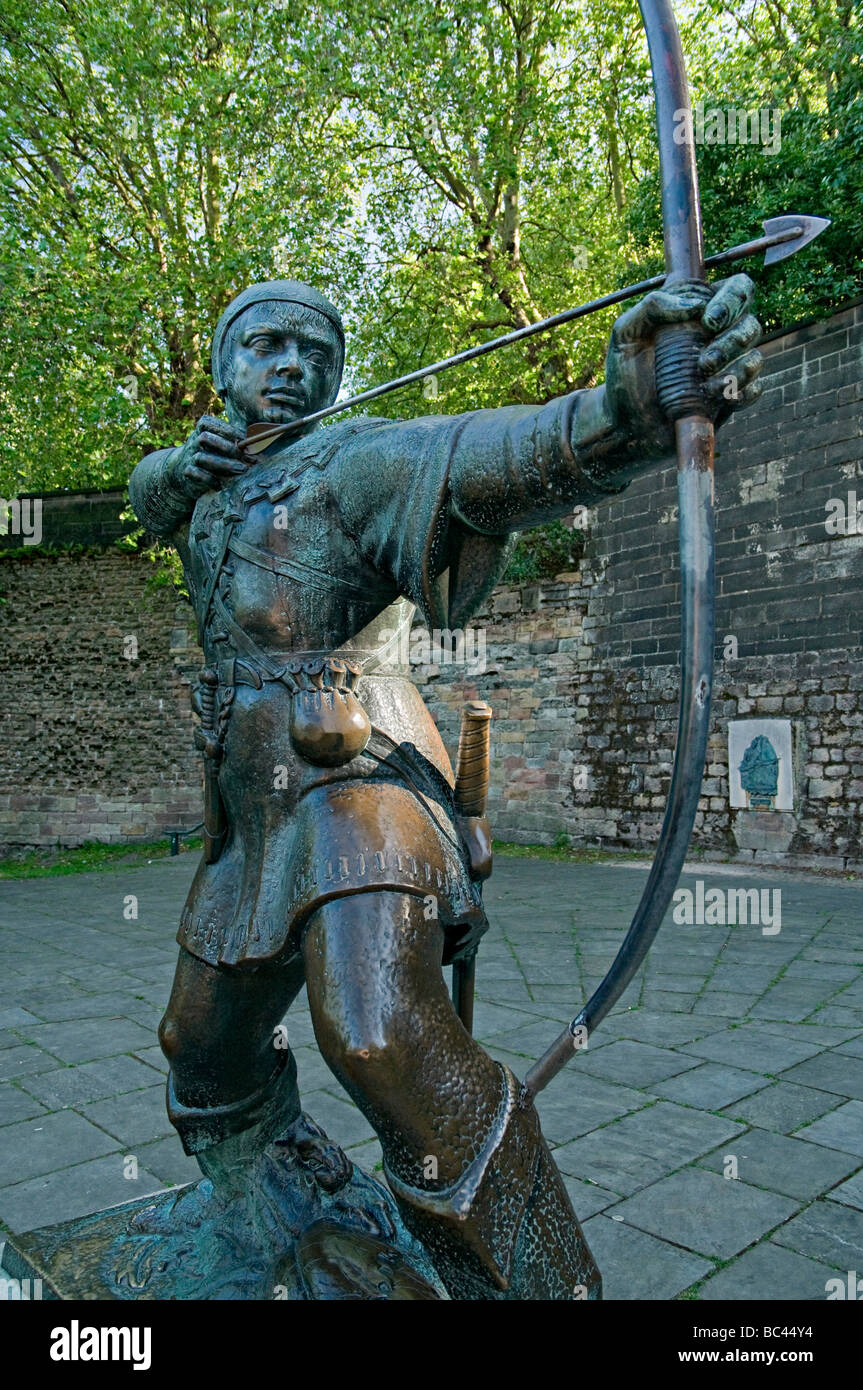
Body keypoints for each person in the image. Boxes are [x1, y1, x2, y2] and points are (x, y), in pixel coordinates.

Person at [129, 274, 762, 1299]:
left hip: (357, 787)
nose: (290, 367)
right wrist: (176, 466)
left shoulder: (354, 459)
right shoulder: (206, 482)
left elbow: (477, 458)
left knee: (380, 1036)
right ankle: (274, 1202)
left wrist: (617, 417)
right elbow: (147, 491)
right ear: (221, 365)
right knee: (199, 1045)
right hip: (248, 805)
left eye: (314, 353)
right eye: (265, 346)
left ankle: (542, 1282)